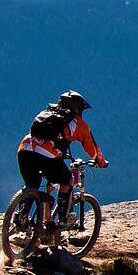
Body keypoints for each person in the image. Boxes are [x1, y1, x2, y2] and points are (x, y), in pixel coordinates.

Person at [17, 91, 108, 226]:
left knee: (32, 184)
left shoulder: (46, 113)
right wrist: (100, 161)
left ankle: (21, 217)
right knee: (66, 181)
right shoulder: (78, 123)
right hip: (47, 154)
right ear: (77, 107)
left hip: (25, 150)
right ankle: (62, 219)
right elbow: (91, 147)